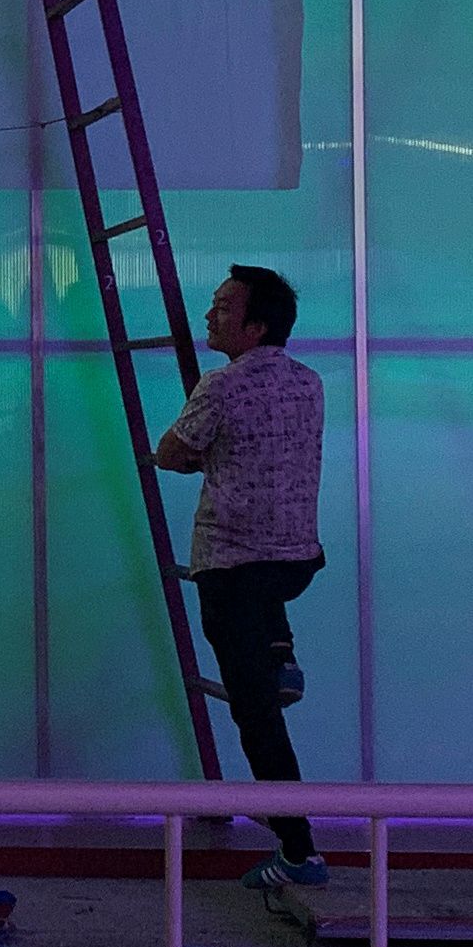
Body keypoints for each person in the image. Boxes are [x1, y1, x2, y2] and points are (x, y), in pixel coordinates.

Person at [153, 264, 330, 891]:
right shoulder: (309, 383)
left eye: (224, 308)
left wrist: (193, 455)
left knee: (256, 717)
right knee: (268, 604)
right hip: (295, 562)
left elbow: (170, 452)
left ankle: (299, 850)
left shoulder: (221, 387)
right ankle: (282, 651)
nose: (209, 316)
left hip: (232, 567)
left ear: (255, 327)